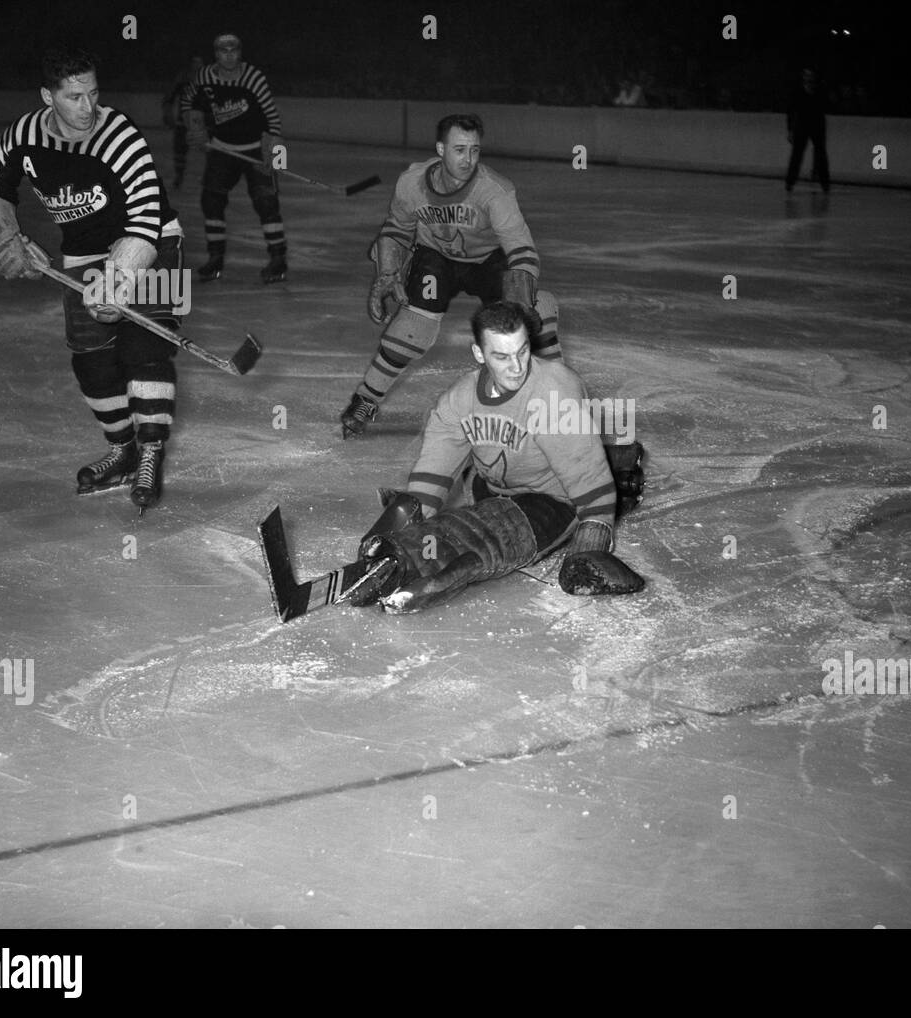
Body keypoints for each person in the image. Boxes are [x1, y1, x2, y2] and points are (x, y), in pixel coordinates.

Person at [0, 47, 184, 510]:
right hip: (84, 251)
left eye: (93, 93)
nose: (88, 108)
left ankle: (150, 451)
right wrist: (7, 238)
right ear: (48, 96)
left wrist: (119, 279)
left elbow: (147, 216)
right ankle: (121, 450)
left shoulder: (119, 134)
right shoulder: (24, 136)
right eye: (74, 97)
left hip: (156, 243)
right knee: (90, 358)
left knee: (144, 349)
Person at [345, 302, 645, 613]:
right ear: (479, 354)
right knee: (466, 516)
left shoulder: (554, 393)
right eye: (501, 356)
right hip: (492, 487)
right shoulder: (459, 400)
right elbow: (436, 469)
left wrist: (594, 536)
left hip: (551, 498)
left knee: (489, 537)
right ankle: (617, 461)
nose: (517, 367)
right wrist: (412, 515)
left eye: (523, 351)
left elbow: (588, 479)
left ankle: (615, 470)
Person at [338, 112, 562, 439]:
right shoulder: (411, 183)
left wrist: (521, 297)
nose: (468, 159)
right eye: (459, 150)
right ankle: (366, 399)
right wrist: (387, 270)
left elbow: (520, 247)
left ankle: (559, 402)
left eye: (474, 150)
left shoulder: (494, 190)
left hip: (487, 260)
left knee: (535, 313)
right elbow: (398, 228)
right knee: (413, 328)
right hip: (436, 258)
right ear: (440, 149)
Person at [180, 33, 288, 284]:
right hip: (223, 149)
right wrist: (195, 126)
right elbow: (189, 102)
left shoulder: (254, 78)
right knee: (211, 201)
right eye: (223, 51)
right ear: (215, 54)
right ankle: (215, 257)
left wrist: (275, 156)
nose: (229, 56)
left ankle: (278, 258)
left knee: (267, 203)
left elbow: (273, 119)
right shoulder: (205, 76)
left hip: (254, 148)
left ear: (240, 53)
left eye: (233, 51)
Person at [161, 54, 204, 189]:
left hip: (201, 123)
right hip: (184, 122)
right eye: (194, 63)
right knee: (180, 150)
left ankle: (210, 177)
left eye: (199, 63)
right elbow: (169, 97)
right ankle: (179, 175)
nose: (197, 66)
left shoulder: (207, 81)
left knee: (209, 151)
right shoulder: (183, 80)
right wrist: (168, 114)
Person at [785, 67, 830, 194]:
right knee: (797, 154)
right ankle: (790, 182)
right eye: (807, 75)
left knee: (820, 154)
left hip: (816, 125)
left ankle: (824, 183)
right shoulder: (799, 91)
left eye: (810, 75)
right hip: (803, 125)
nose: (809, 78)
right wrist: (790, 129)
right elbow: (790, 110)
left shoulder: (819, 90)